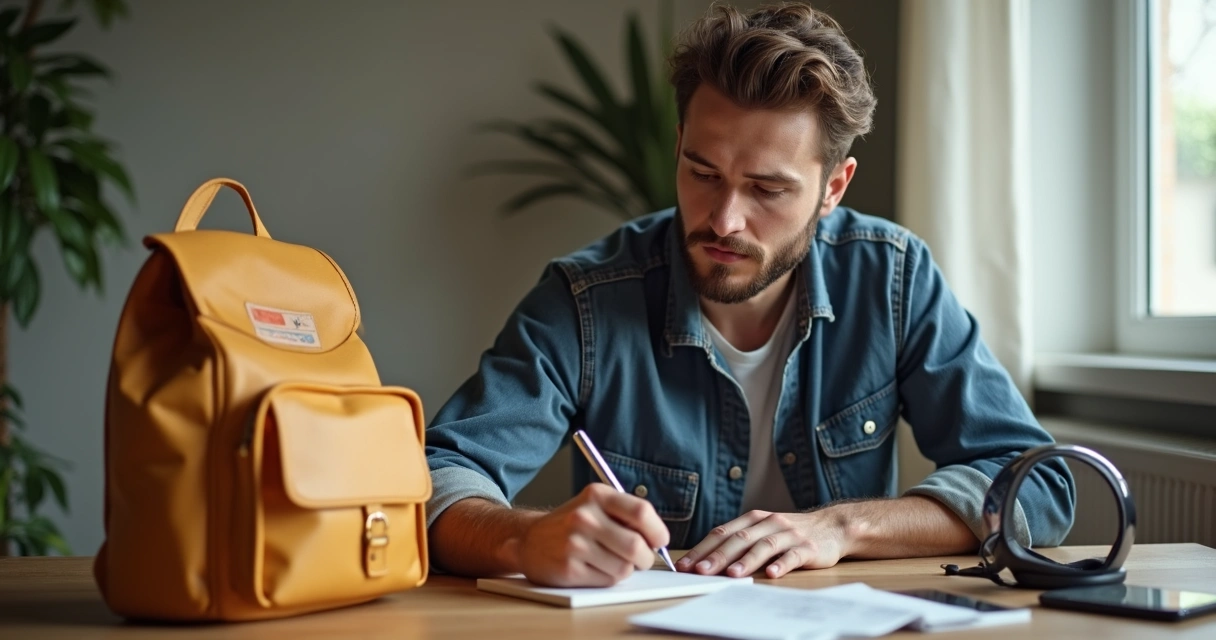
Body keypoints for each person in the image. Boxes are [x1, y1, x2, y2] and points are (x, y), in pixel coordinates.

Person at [424, 2, 1075, 588]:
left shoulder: (892, 281)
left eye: (768, 189)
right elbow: (430, 480)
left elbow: (1038, 485)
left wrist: (841, 528)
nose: (725, 220)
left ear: (834, 187)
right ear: (679, 144)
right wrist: (522, 536)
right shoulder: (587, 299)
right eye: (703, 172)